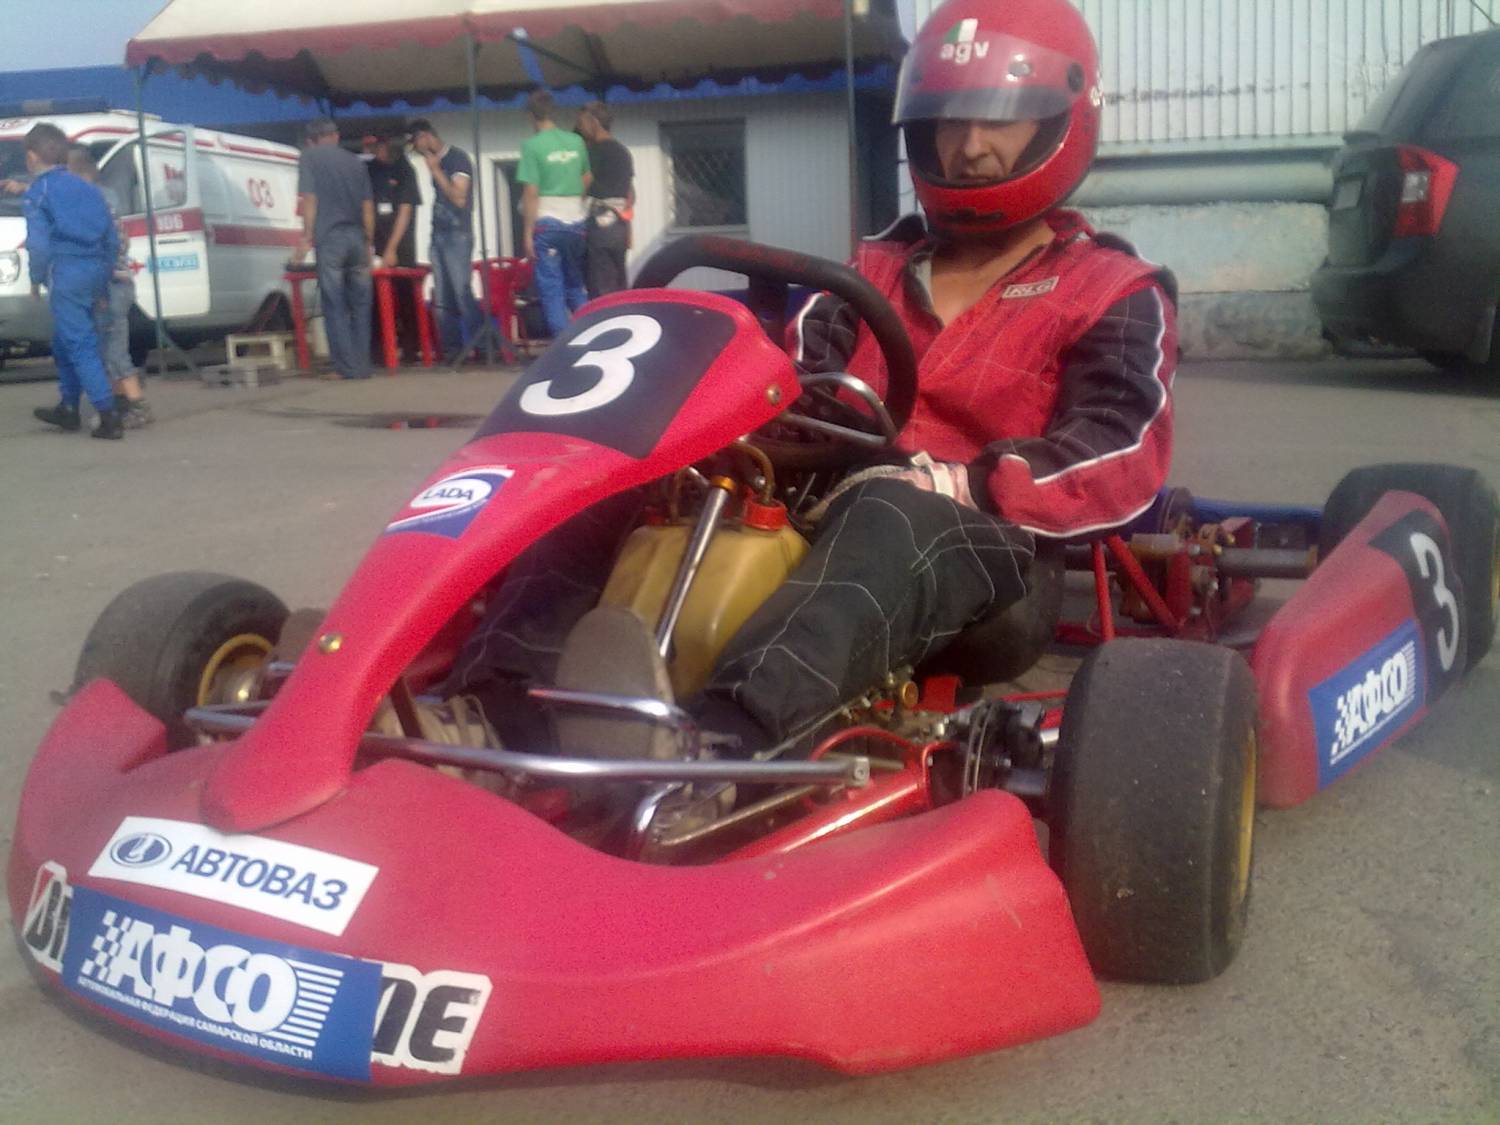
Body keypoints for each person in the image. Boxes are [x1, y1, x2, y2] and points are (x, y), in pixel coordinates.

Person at [445, 0, 1177, 759]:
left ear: (1061, 121)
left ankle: (725, 744)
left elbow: (1121, 448)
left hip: (993, 553)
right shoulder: (871, 270)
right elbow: (793, 386)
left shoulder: (1111, 290)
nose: (968, 148)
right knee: (622, 480)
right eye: (949, 122)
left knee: (890, 512)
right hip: (824, 498)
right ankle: (494, 706)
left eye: (1000, 120)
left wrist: (979, 482)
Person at [19, 124, 124, 439]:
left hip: (65, 273)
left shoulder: (38, 192)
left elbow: (38, 245)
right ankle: (68, 406)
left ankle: (107, 415)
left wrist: (36, 278)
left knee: (79, 344)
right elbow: (111, 239)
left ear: (31, 157)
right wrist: (103, 279)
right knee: (64, 342)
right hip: (95, 270)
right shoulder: (89, 189)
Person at [66, 145, 152, 428]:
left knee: (114, 352)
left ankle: (137, 405)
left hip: (109, 285)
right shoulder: (108, 199)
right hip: (117, 283)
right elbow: (122, 242)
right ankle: (120, 404)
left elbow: (105, 247)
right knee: (108, 350)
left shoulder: (91, 205)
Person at [291, 117, 375, 381]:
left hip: (330, 239)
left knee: (334, 304)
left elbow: (310, 199)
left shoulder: (309, 158)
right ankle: (362, 366)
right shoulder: (356, 162)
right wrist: (369, 241)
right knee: (361, 304)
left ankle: (345, 368)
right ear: (335, 137)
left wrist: (307, 237)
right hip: (358, 238)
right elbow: (368, 206)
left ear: (311, 141)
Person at [407, 119, 483, 361]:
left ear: (426, 136)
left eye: (417, 143)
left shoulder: (457, 159)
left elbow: (459, 198)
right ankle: (452, 351)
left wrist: (436, 171)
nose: (418, 150)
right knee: (441, 296)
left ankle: (482, 347)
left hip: (457, 234)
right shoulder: (436, 161)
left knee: (461, 291)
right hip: (438, 234)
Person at [517, 90, 590, 336]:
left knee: (552, 289)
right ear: (552, 111)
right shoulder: (576, 141)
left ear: (530, 116)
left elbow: (531, 191)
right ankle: (590, 336)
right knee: (575, 285)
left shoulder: (531, 146)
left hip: (548, 222)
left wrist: (527, 234)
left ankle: (564, 345)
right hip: (576, 222)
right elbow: (587, 178)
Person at [366, 127, 424, 363]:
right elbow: (366, 206)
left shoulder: (404, 169)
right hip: (376, 241)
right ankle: (378, 350)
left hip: (401, 244)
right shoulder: (369, 170)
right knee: (374, 296)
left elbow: (405, 211)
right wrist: (369, 243)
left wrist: (391, 249)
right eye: (373, 147)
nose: (376, 151)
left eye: (380, 146)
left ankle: (411, 348)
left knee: (405, 294)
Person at [576, 100, 634, 298]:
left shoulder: (594, 151)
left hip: (598, 226)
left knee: (600, 286)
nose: (580, 128)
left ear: (594, 122)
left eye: (582, 123)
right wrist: (628, 228)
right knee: (619, 283)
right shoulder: (623, 152)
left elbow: (583, 183)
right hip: (619, 226)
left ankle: (604, 317)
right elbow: (630, 193)